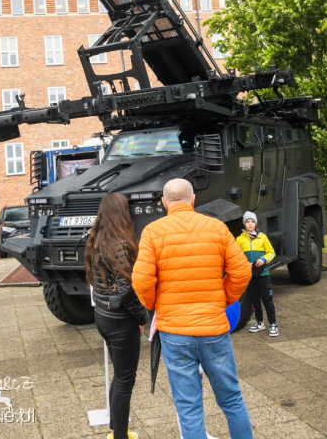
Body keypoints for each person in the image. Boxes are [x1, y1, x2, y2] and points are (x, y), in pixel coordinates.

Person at [132, 178, 253, 439]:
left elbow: (141, 280)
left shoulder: (153, 232)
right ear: (193, 199)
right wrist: (223, 299)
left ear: (164, 203)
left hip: (174, 332)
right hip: (213, 328)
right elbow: (242, 271)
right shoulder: (217, 228)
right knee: (231, 399)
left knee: (188, 406)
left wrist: (154, 304)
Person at [84, 192, 148, 439]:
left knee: (120, 378)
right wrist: (141, 318)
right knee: (125, 382)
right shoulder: (120, 243)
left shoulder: (97, 239)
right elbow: (126, 289)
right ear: (121, 213)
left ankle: (115, 430)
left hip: (103, 315)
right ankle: (120, 436)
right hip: (121, 321)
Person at [236, 211, 278, 336]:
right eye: (247, 222)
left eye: (252, 221)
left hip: (263, 274)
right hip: (250, 275)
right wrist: (245, 262)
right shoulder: (239, 239)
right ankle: (260, 322)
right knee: (254, 300)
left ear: (255, 223)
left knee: (267, 300)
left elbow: (271, 252)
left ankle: (273, 324)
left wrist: (263, 259)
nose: (250, 224)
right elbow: (236, 256)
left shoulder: (263, 237)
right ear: (244, 224)